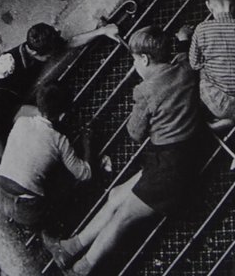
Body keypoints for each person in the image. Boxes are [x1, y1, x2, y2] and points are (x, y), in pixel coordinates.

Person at [43, 25, 202, 275]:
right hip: (175, 157)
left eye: (134, 59)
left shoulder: (145, 91)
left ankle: (82, 270)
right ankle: (69, 248)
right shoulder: (185, 70)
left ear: (145, 59)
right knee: (116, 195)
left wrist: (138, 111)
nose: (134, 65)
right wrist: (183, 39)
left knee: (123, 217)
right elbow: (183, 54)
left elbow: (135, 133)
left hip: (169, 171)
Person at [0, 20, 119, 168]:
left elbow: (70, 43)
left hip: (10, 106)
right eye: (48, 56)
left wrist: (102, 31)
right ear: (34, 52)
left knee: (49, 117)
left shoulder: (41, 47)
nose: (51, 58)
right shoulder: (8, 65)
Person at [0, 82, 92, 229]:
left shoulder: (21, 121)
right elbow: (84, 174)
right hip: (25, 210)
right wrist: (88, 143)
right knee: (62, 178)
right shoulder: (60, 140)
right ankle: (49, 224)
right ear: (63, 114)